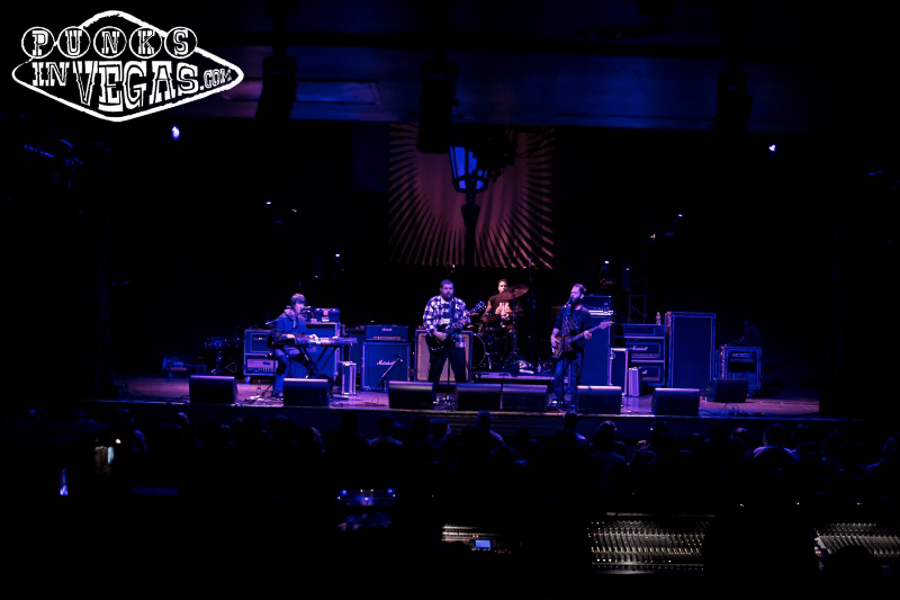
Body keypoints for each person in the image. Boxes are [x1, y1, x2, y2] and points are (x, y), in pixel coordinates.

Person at [550, 284, 593, 406]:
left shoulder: (585, 314)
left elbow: (588, 334)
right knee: (558, 374)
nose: (572, 295)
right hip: (562, 348)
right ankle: (559, 399)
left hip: (576, 349)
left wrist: (587, 335)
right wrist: (553, 336)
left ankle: (574, 402)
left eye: (575, 293)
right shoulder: (564, 310)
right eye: (571, 292)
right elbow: (557, 326)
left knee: (575, 377)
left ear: (581, 296)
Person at [422, 279, 471, 385]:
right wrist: (436, 333)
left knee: (460, 374)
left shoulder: (459, 303)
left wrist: (465, 322)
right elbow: (426, 320)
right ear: (440, 289)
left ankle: (461, 395)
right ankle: (432, 395)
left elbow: (467, 320)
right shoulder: (433, 301)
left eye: (451, 288)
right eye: (446, 288)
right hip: (438, 342)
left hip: (456, 341)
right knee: (434, 373)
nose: (448, 291)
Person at [272, 293, 317, 396]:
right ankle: (278, 390)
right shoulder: (282, 318)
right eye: (299, 304)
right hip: (281, 347)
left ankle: (310, 389)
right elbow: (276, 336)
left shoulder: (301, 319)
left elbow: (302, 336)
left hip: (294, 348)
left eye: (303, 304)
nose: (302, 306)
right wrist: (286, 336)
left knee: (310, 361)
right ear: (293, 304)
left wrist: (309, 337)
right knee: (283, 359)